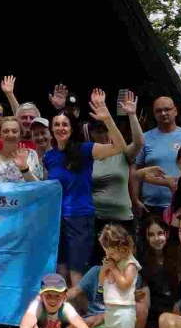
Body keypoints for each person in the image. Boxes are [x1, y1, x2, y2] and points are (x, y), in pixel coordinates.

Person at [43, 90, 128, 288]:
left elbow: (119, 147)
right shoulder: (49, 157)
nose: (61, 128)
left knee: (76, 272)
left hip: (80, 218)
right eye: (57, 124)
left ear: (72, 128)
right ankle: (63, 308)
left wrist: (107, 119)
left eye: (65, 124)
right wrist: (24, 169)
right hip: (57, 219)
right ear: (51, 129)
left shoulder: (85, 149)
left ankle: (81, 308)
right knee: (61, 270)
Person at [89, 90, 145, 267]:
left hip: (122, 220)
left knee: (126, 266)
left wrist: (132, 115)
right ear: (92, 134)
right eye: (98, 131)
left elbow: (139, 143)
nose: (103, 134)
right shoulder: (88, 157)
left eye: (106, 130)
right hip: (97, 221)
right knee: (102, 267)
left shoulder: (123, 154)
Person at [92, 224, 144, 328]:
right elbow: (102, 281)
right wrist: (105, 269)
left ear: (123, 247)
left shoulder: (130, 264)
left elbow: (125, 284)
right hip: (110, 309)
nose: (109, 256)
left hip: (125, 310)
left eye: (112, 253)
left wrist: (114, 269)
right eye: (106, 252)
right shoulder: (112, 262)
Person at [130, 97, 181, 222]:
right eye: (158, 111)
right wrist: (135, 199)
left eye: (167, 109)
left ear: (175, 111)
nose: (163, 113)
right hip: (151, 206)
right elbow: (135, 169)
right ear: (154, 114)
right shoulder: (144, 138)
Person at [136, 216, 181, 328]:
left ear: (167, 234)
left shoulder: (179, 257)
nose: (157, 238)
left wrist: (179, 304)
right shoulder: (141, 263)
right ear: (146, 237)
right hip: (154, 319)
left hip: (176, 315)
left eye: (160, 233)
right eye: (151, 234)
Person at [0, 116, 45, 182]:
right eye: (6, 131)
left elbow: (38, 186)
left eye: (14, 131)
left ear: (20, 136)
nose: (10, 135)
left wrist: (24, 168)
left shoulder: (31, 155)